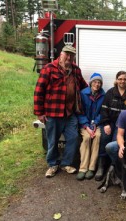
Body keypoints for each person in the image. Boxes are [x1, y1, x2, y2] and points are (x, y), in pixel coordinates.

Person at [34, 45, 88, 178]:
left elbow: (84, 86)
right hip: (52, 114)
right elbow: (39, 91)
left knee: (73, 138)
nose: (69, 57)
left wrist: (95, 94)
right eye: (67, 54)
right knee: (52, 141)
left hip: (70, 114)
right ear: (61, 54)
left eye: (72, 55)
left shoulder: (76, 70)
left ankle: (66, 163)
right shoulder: (49, 69)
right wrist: (39, 112)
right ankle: (53, 164)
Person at [95, 71, 126, 181]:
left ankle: (113, 167)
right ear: (116, 80)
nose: (122, 81)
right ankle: (101, 166)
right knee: (104, 138)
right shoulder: (110, 93)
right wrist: (106, 124)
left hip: (123, 125)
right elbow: (104, 110)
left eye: (125, 79)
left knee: (116, 143)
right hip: (110, 122)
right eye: (120, 79)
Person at [76, 73, 105, 181]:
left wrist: (95, 124)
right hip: (85, 124)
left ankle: (92, 168)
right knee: (87, 138)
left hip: (96, 124)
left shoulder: (103, 95)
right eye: (95, 82)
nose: (97, 84)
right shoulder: (83, 94)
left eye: (99, 83)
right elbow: (79, 112)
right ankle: (83, 168)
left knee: (97, 137)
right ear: (90, 83)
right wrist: (87, 126)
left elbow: (102, 113)